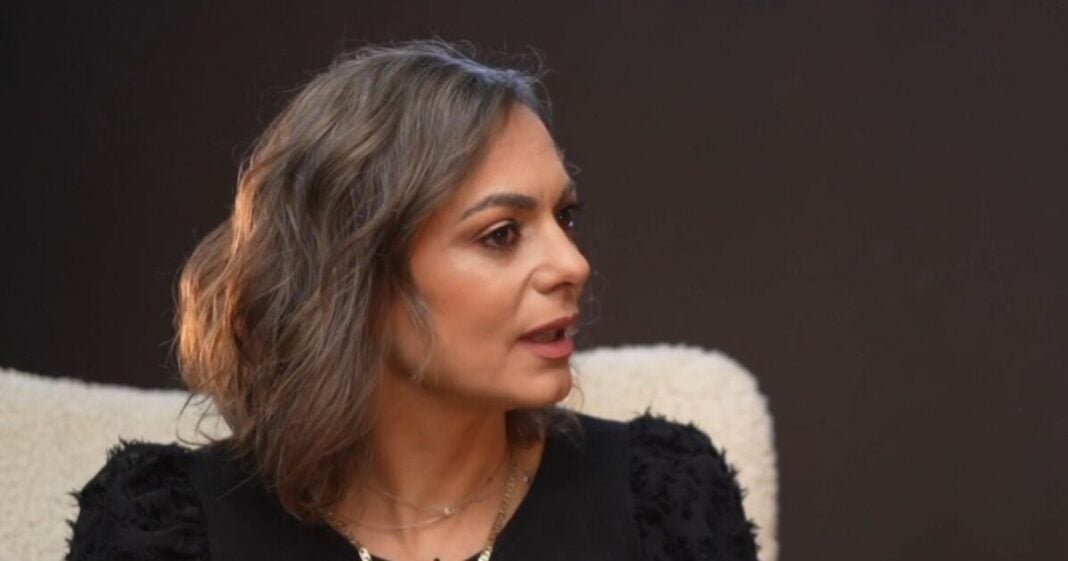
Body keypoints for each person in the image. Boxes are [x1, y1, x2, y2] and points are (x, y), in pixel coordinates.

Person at [66, 40, 758, 561]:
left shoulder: (661, 502)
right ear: (353, 275)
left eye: (564, 216)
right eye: (501, 234)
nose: (572, 265)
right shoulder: (166, 529)